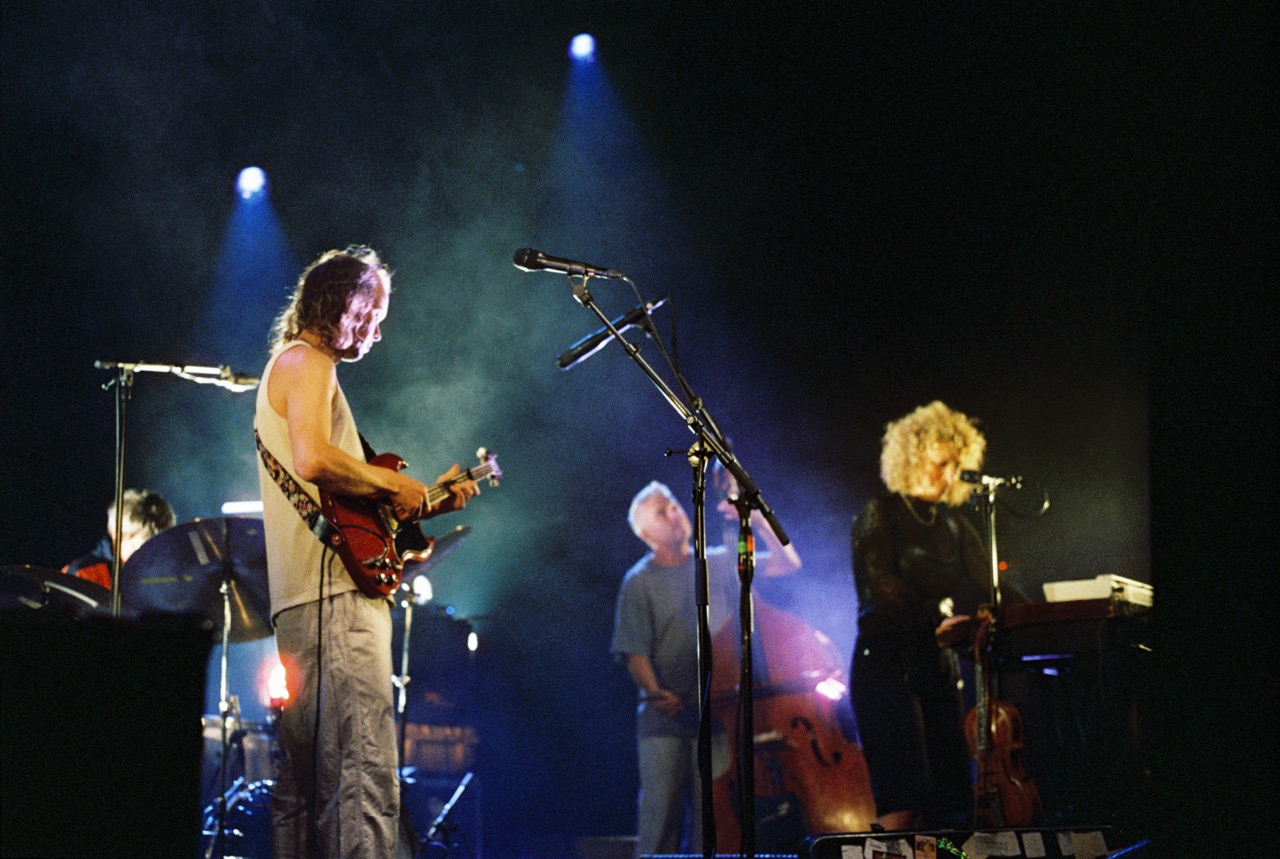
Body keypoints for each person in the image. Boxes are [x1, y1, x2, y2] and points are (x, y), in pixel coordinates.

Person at [254, 246, 477, 859]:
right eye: (372, 315)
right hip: (337, 603)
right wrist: (391, 483)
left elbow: (339, 503)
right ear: (343, 303)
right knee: (362, 778)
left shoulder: (291, 366)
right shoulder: (308, 362)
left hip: (306, 602)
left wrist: (422, 500)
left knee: (305, 789)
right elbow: (313, 460)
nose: (377, 332)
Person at [849, 400, 1022, 831]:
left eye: (955, 465)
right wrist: (936, 620)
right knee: (905, 797)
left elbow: (992, 583)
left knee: (951, 796)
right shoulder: (878, 515)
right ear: (911, 459)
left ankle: (944, 857)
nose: (949, 475)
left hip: (936, 665)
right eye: (939, 463)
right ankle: (891, 854)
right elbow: (882, 586)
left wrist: (1040, 613)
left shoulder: (953, 525)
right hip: (886, 664)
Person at [611, 479, 800, 857]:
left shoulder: (720, 562)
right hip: (664, 721)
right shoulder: (639, 581)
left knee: (713, 821)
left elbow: (786, 563)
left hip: (717, 716)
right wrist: (655, 692)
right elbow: (634, 650)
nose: (675, 514)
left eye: (674, 506)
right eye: (662, 512)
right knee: (660, 820)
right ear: (646, 533)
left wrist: (757, 520)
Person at [62, 489, 175, 591]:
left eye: (156, 549)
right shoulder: (82, 574)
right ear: (117, 537)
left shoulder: (163, 578)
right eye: (139, 546)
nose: (149, 556)